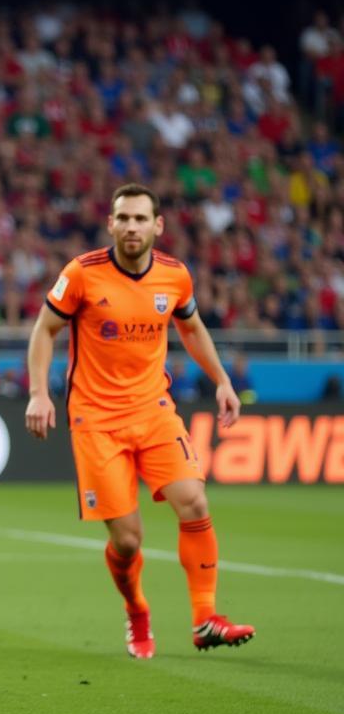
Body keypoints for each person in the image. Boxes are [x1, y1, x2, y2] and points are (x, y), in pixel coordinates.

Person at [24, 183, 255, 659]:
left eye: (140, 219)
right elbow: (44, 329)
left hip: (154, 410)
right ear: (111, 224)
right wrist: (38, 393)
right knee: (128, 541)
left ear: (157, 226)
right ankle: (137, 611)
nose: (132, 226)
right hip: (96, 420)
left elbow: (191, 327)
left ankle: (204, 618)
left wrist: (222, 381)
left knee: (193, 499)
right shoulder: (82, 273)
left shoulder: (174, 276)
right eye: (123, 218)